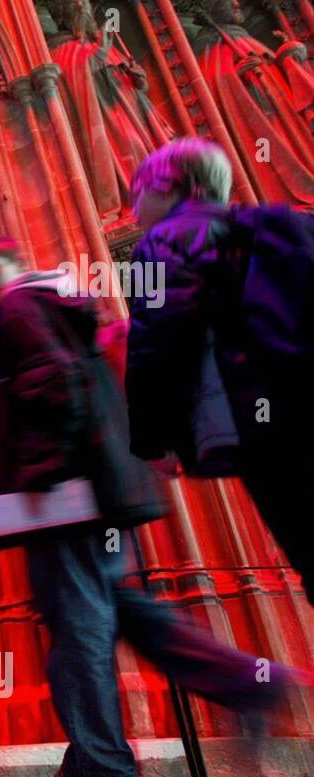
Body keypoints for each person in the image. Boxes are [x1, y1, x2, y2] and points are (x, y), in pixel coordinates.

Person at [0, 235, 295, 777]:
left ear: (16, 266)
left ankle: (101, 770)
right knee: (126, 611)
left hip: (66, 499)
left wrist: (44, 474)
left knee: (78, 630)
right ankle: (248, 683)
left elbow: (54, 383)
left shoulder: (21, 307)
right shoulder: (64, 301)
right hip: (105, 489)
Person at [125, 137, 314, 593]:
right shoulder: (286, 225)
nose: (133, 211)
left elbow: (157, 339)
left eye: (138, 194)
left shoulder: (158, 244)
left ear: (173, 184)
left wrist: (153, 439)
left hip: (261, 421)